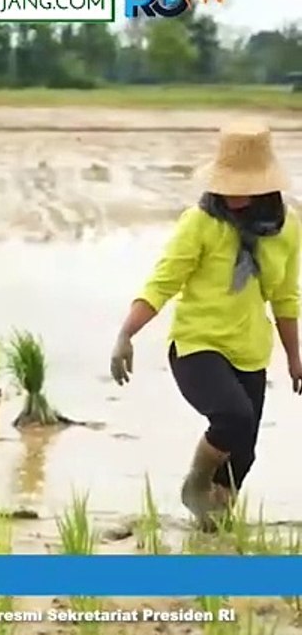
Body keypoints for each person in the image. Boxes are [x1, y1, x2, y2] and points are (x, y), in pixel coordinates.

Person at [110, 121, 301, 531]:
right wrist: (126, 334)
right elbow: (164, 281)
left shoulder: (288, 230)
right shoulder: (199, 222)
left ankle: (213, 525)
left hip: (250, 350)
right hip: (197, 345)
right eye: (226, 182)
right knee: (233, 417)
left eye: (242, 184)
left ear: (265, 186)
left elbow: (286, 298)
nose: (230, 193)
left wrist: (295, 358)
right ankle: (195, 487)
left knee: (244, 454)